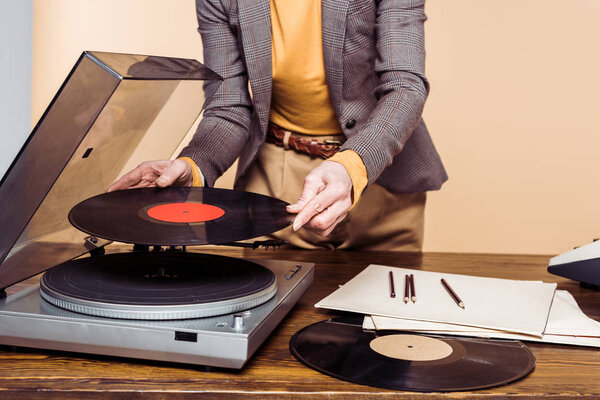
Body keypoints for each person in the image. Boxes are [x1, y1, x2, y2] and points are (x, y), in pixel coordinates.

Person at [109, 0, 447, 251]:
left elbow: (405, 86)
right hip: (276, 182)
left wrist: (352, 166)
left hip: (381, 173)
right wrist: (193, 165)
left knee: (386, 336)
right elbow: (228, 106)